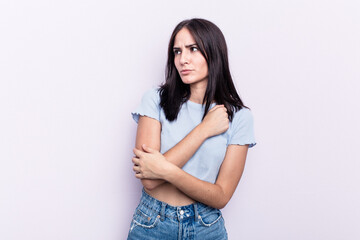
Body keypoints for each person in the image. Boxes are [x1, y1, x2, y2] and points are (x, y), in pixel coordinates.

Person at [127, 18, 256, 240]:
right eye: (177, 52)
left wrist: (166, 170)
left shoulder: (239, 117)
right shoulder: (155, 101)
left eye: (193, 49)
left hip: (206, 226)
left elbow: (221, 196)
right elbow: (149, 179)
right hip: (152, 224)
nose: (182, 60)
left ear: (214, 53)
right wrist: (204, 129)